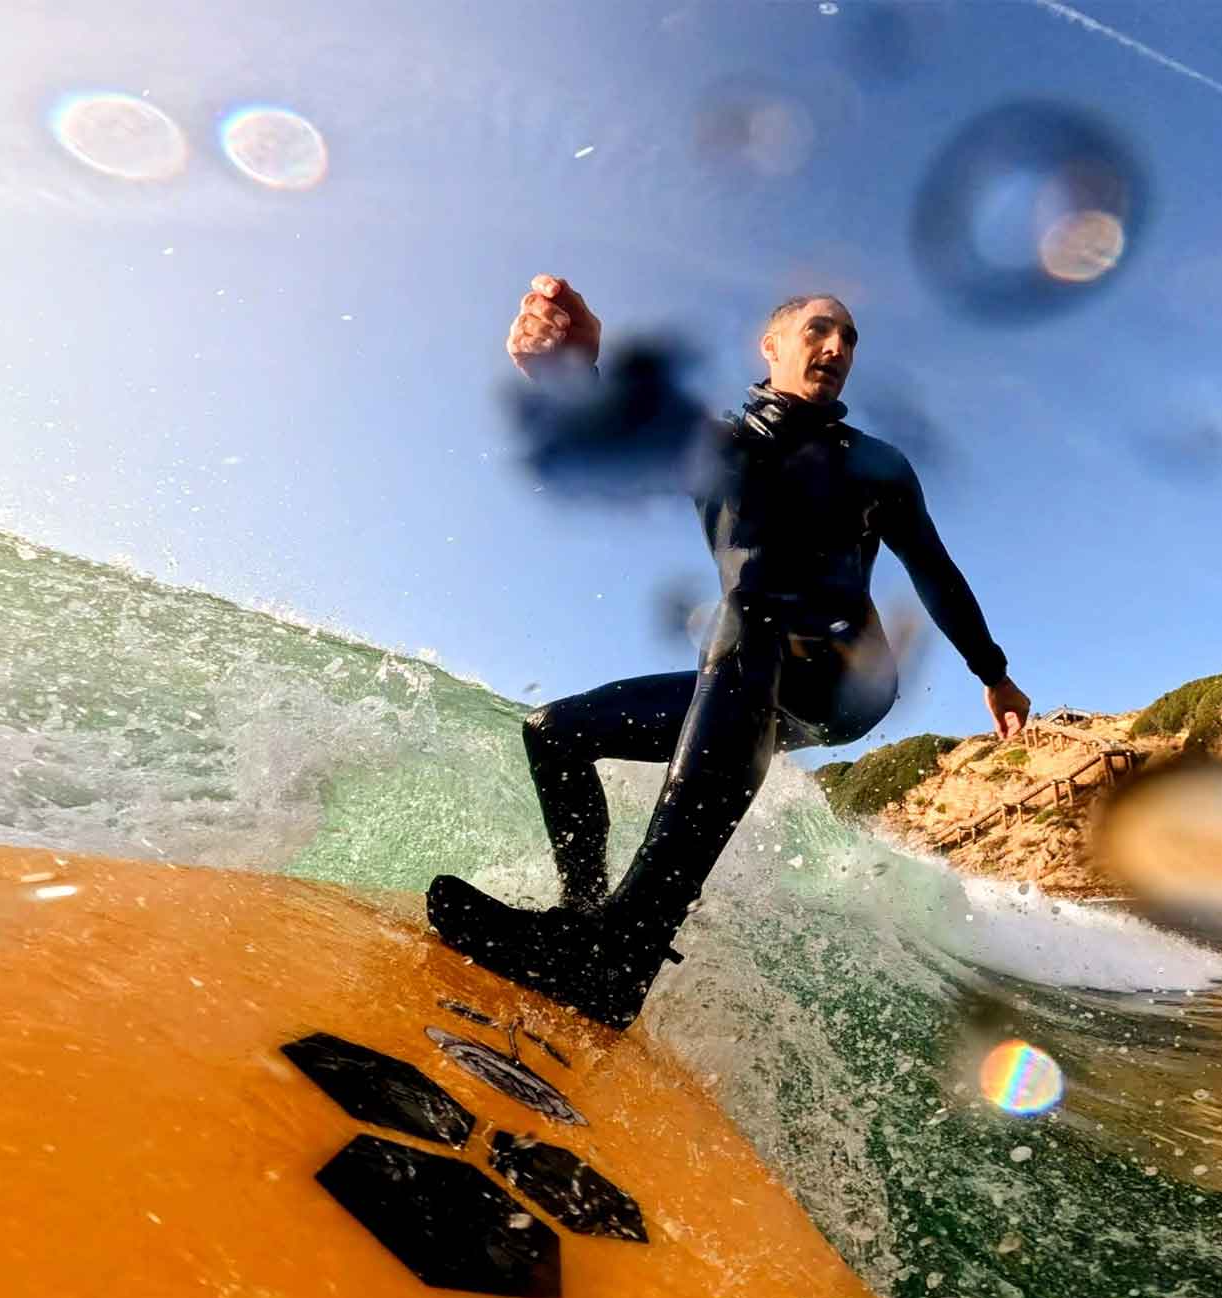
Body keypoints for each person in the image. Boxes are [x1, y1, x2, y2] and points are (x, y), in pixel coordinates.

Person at [428, 274, 1030, 1029]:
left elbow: (934, 571)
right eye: (819, 330)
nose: (838, 346)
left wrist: (993, 673)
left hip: (847, 682)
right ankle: (579, 918)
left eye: (849, 338)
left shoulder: (879, 465)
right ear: (772, 345)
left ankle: (625, 948)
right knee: (553, 733)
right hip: (748, 670)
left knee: (750, 606)